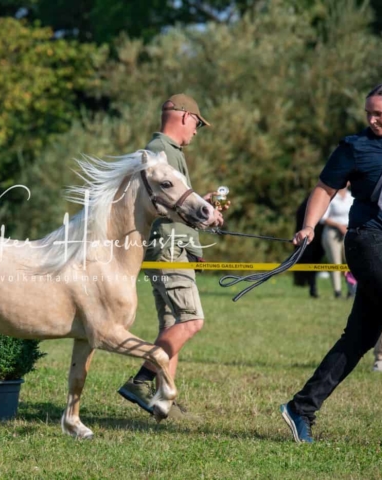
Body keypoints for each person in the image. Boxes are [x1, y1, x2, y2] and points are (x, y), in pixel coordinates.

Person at [280, 82, 382, 443]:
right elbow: (324, 189)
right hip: (369, 243)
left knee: (358, 338)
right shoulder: (355, 147)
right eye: (368, 113)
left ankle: (300, 408)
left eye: (379, 114)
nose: (371, 119)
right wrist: (308, 226)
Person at [117, 94, 226, 420]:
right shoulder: (159, 152)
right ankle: (141, 381)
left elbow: (176, 200)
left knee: (173, 324)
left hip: (170, 245)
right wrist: (201, 219)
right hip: (169, 246)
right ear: (183, 116)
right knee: (192, 320)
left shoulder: (166, 152)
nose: (197, 130)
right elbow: (162, 205)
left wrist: (201, 206)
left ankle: (164, 399)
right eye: (197, 123)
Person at [319, 184, 354, 298]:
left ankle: (351, 289)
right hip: (332, 232)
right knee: (335, 262)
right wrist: (339, 226)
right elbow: (323, 217)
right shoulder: (331, 196)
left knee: (350, 262)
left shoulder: (351, 196)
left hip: (349, 232)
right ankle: (337, 291)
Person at [293, 195, 325, 298]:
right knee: (311, 260)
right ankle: (311, 285)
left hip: (322, 234)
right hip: (313, 237)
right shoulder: (312, 200)